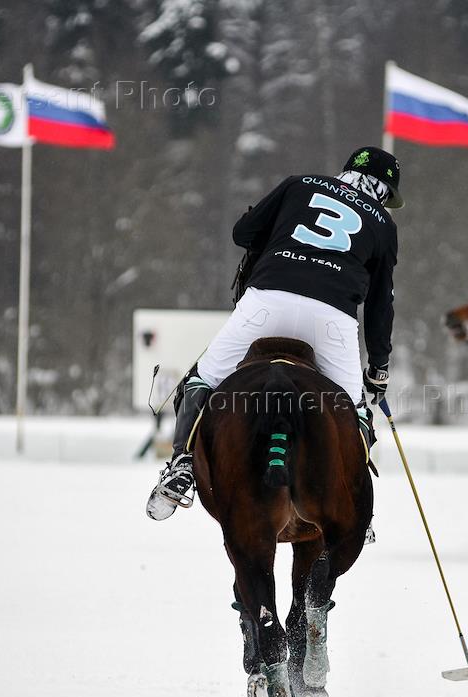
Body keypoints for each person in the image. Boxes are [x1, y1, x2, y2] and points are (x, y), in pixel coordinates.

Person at [146, 146, 402, 521]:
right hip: (331, 319)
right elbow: (381, 306)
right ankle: (353, 502)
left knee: (201, 378)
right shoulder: (384, 225)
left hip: (268, 302)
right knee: (353, 410)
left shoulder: (299, 185)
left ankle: (182, 463)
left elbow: (242, 233)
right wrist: (378, 368)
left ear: (347, 171)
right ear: (383, 191)